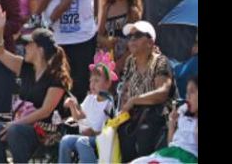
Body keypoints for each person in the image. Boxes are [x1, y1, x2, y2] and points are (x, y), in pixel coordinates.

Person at [0, 5, 71, 163]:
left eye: (29, 44)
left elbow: (45, 111)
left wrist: (15, 124)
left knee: (15, 131)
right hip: (22, 125)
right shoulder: (24, 68)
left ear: (40, 49)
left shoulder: (56, 77)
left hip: (47, 132)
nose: (24, 47)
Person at [115, 21, 174, 162]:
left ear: (150, 42)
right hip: (135, 116)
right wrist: (125, 100)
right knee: (120, 131)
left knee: (144, 132)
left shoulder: (160, 61)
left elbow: (162, 92)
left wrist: (134, 100)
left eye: (138, 35)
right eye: (131, 36)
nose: (132, 39)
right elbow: (127, 89)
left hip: (157, 115)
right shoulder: (130, 61)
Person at [58, 51, 116, 163]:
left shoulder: (109, 103)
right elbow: (78, 117)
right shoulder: (90, 99)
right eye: (91, 81)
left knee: (82, 142)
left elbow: (110, 129)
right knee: (65, 140)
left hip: (100, 138)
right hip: (87, 135)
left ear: (108, 83)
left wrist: (94, 132)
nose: (92, 84)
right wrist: (72, 105)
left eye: (97, 81)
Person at [130, 75, 197, 164]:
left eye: (192, 92)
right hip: (171, 153)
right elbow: (171, 143)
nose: (187, 97)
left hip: (188, 158)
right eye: (187, 92)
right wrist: (172, 124)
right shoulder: (183, 114)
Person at [97, 0, 143, 73]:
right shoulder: (107, 7)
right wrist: (105, 41)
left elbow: (135, 41)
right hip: (106, 59)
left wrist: (121, 62)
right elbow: (99, 35)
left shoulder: (132, 12)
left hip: (125, 61)